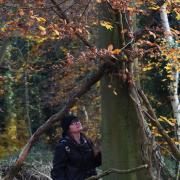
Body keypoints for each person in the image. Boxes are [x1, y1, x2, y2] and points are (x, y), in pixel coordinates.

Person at [51, 115, 101, 180]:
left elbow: (93, 164)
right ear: (67, 128)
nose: (77, 123)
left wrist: (99, 154)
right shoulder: (62, 146)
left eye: (77, 121)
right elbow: (57, 172)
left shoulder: (87, 141)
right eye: (72, 123)